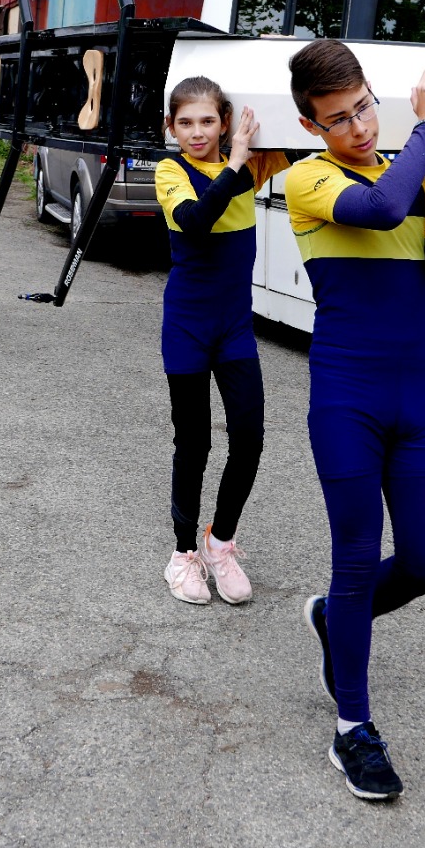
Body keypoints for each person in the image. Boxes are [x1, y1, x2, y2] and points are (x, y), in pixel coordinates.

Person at [284, 40, 425, 801]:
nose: (359, 127)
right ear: (311, 125)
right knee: (358, 558)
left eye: (364, 107)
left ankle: (334, 618)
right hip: (346, 399)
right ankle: (352, 729)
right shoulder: (309, 178)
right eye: (338, 119)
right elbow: (381, 208)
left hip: (416, 401)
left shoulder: (410, 174)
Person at [155, 76, 298, 605]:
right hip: (187, 327)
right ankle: (182, 555)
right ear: (171, 127)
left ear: (226, 122)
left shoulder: (250, 165)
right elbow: (195, 221)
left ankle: (219, 543)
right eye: (185, 123)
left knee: (250, 436)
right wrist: (236, 160)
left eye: (208, 121)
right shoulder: (172, 171)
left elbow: (308, 133)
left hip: (234, 327)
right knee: (194, 443)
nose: (197, 132)